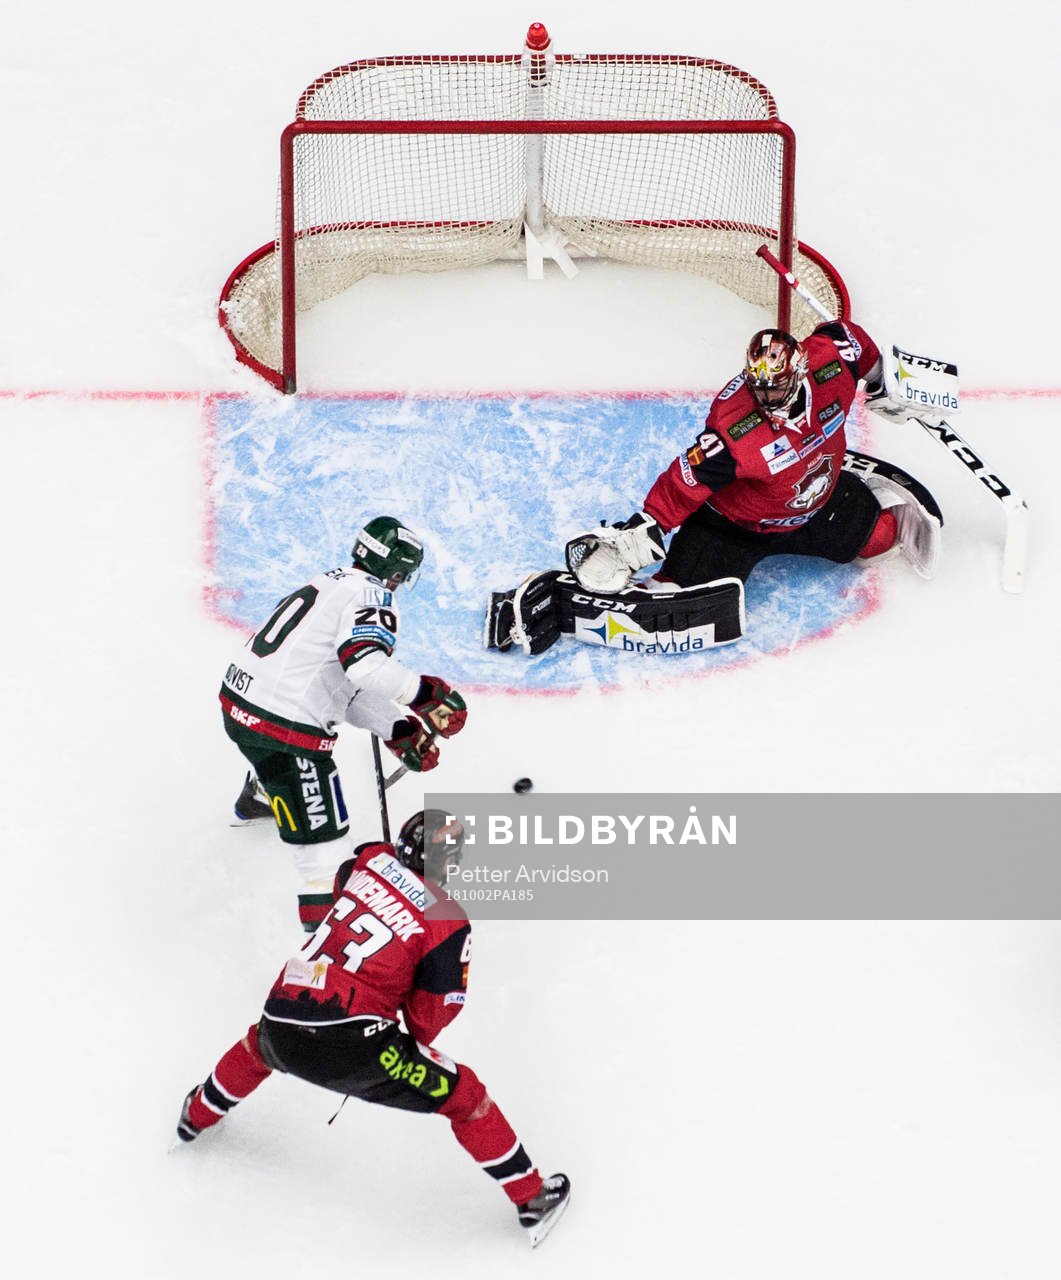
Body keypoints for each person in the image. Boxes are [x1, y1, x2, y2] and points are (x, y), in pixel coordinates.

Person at [174, 810, 571, 1249]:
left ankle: (194, 1116)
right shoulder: (448, 921)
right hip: (354, 1039)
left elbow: (348, 875)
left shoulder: (370, 859)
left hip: (284, 1007)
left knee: (256, 1047)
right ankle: (531, 1199)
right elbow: (427, 1020)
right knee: (466, 1096)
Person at [220, 515, 469, 931]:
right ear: (395, 573)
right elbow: (365, 667)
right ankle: (325, 965)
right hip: (283, 730)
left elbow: (335, 683)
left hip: (241, 705)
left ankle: (263, 794)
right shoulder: (373, 595)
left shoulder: (330, 582)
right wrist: (424, 695)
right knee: (327, 860)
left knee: (280, 765)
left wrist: (396, 726)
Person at [568, 320, 939, 592]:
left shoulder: (832, 363)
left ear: (799, 373)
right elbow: (684, 482)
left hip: (816, 506)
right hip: (735, 528)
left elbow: (851, 338)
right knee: (678, 592)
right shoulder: (734, 430)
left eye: (774, 389)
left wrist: (884, 381)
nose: (765, 398)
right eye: (758, 387)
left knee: (881, 537)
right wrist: (646, 526)